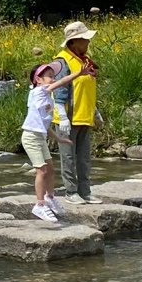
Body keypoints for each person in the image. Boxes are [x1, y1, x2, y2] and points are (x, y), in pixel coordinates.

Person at [21, 62, 84, 222]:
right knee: (41, 171)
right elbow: (62, 82)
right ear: (38, 79)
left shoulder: (46, 99)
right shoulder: (38, 92)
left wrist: (59, 138)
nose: (53, 79)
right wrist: (78, 73)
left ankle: (49, 197)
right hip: (30, 138)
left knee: (50, 168)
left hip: (39, 137)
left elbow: (44, 125)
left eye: (53, 76)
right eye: (50, 76)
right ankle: (40, 205)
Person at [49, 21, 102, 205]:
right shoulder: (62, 62)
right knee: (69, 157)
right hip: (68, 117)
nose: (88, 43)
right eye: (85, 40)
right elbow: (59, 90)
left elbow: (86, 90)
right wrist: (62, 116)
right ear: (74, 42)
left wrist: (95, 112)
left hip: (84, 116)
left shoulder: (84, 60)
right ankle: (71, 192)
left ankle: (85, 192)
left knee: (84, 158)